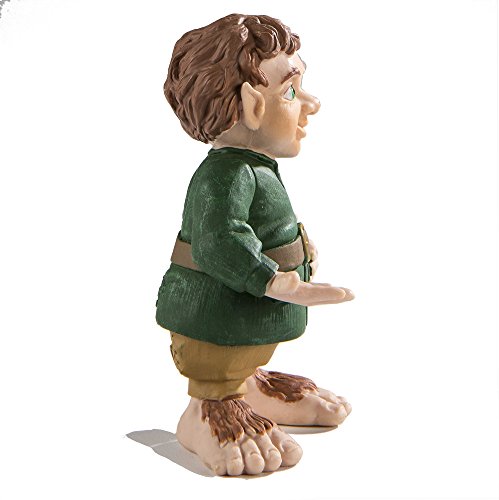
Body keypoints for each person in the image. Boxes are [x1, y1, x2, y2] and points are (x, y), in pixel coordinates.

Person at [156, 13, 354, 476]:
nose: (311, 102)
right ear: (251, 105)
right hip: (213, 321)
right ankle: (210, 406)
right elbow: (220, 239)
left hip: (241, 317)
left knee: (243, 348)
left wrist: (300, 249)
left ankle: (248, 384)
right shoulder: (225, 174)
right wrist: (274, 280)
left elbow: (263, 222)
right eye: (291, 91)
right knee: (220, 356)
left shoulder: (253, 167)